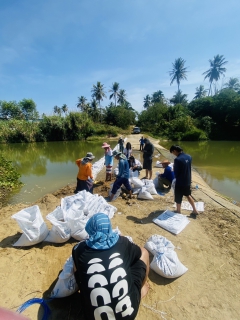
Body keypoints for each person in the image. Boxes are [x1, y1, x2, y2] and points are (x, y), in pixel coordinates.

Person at [72, 213, 150, 320]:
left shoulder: (79, 250)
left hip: (92, 317)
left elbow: (77, 271)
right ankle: (140, 290)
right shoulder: (122, 242)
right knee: (144, 252)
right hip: (129, 315)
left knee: (76, 266)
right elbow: (138, 253)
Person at [170, 145, 199, 216]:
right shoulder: (189, 156)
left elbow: (176, 173)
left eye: (172, 153)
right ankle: (195, 210)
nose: (173, 154)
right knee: (188, 195)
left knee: (178, 197)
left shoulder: (177, 159)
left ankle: (178, 211)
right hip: (188, 180)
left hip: (180, 181)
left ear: (174, 151)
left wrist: (173, 169)